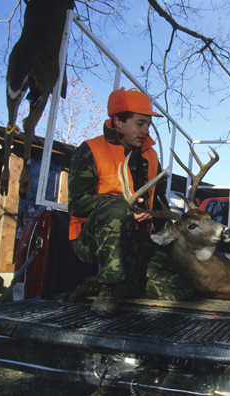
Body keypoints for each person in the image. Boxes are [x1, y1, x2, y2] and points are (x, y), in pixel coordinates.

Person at [67, 87, 193, 317]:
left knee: (181, 290)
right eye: (140, 124)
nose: (145, 131)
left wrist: (175, 231)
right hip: (93, 242)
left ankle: (105, 283)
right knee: (117, 208)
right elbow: (76, 204)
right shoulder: (91, 150)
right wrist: (125, 208)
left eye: (148, 125)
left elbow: (158, 202)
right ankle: (109, 289)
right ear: (117, 121)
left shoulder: (151, 155)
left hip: (135, 243)